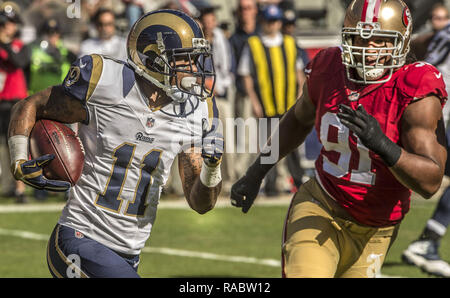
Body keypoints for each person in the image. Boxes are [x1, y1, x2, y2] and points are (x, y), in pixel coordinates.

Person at [231, 0, 448, 278]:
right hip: (322, 205)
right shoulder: (329, 68)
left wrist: (385, 147)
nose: (370, 50)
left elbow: (430, 182)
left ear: (402, 43)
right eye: (362, 38)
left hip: (376, 230)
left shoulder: (415, 87)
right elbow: (298, 119)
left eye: (382, 41)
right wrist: (256, 171)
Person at [8, 9, 223, 278]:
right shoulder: (106, 81)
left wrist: (212, 167)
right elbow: (30, 105)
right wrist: (18, 159)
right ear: (153, 60)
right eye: (184, 60)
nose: (194, 68)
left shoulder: (195, 109)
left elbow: (200, 203)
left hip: (129, 254)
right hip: (80, 238)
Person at [401, 4, 450, 278]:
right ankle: (426, 242)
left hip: (420, 101)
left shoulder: (440, 34)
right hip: (435, 112)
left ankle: (428, 240)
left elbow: (421, 43)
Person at [237, 4, 306, 196]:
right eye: (269, 21)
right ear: (263, 22)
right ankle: (270, 185)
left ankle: (299, 181)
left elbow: (299, 73)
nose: (273, 25)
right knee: (269, 148)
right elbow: (246, 75)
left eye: (276, 21)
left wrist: (299, 97)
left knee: (291, 145)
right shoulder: (253, 44)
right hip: (266, 104)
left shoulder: (290, 43)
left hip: (288, 104)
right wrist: (255, 102)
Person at [195, 0, 235, 194]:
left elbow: (228, 69)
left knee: (225, 137)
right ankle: (195, 181)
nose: (209, 23)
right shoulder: (195, 41)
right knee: (195, 140)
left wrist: (218, 86)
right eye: (206, 19)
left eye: (212, 19)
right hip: (198, 96)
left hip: (218, 95)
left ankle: (228, 180)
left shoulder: (221, 40)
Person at [0, 2, 30, 203]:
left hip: (16, 100)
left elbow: (19, 62)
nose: (7, 26)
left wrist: (4, 43)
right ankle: (7, 185)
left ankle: (20, 189)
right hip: (1, 99)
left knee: (17, 144)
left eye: (10, 23)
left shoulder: (20, 46)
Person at [229, 0, 258, 184]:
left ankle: (259, 179)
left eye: (248, 8)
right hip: (244, 95)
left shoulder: (261, 36)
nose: (245, 12)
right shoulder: (233, 39)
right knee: (244, 138)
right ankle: (240, 176)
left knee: (264, 139)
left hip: (266, 94)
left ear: (255, 11)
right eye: (242, 9)